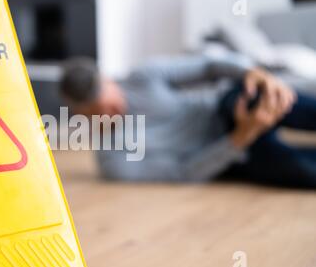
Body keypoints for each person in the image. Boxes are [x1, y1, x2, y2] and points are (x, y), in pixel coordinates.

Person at [60, 54, 316, 188]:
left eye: (111, 99)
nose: (114, 109)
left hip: (227, 108)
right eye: (100, 111)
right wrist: (241, 137)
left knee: (267, 97)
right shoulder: (112, 161)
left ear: (108, 79)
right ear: (82, 116)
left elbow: (209, 66)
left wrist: (257, 74)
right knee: (297, 168)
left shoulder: (144, 76)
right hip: (228, 155)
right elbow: (182, 172)